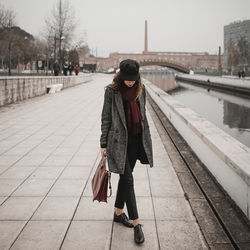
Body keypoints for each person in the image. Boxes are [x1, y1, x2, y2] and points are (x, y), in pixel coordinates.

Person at [100, 59, 153, 244]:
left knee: (125, 177)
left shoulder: (141, 90)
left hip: (137, 141)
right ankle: (137, 224)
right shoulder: (111, 92)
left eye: (133, 78)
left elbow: (144, 114)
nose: (130, 82)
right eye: (127, 79)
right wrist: (103, 144)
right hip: (118, 142)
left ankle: (118, 213)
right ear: (121, 76)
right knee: (128, 178)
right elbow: (106, 118)